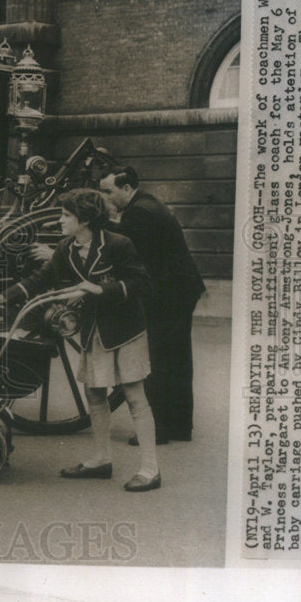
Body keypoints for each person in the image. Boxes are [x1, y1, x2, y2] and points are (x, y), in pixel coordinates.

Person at [0, 188, 161, 492]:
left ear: (85, 219)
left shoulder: (118, 244)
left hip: (125, 330)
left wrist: (99, 289)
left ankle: (150, 469)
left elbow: (141, 282)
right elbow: (39, 280)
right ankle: (101, 459)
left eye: (66, 215)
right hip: (95, 330)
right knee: (94, 393)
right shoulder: (66, 248)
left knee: (133, 395)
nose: (60, 220)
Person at [98, 166, 206, 444]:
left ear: (125, 188)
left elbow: (121, 244)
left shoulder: (140, 212)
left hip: (171, 295)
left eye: (108, 191)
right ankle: (179, 427)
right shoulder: (145, 204)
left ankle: (160, 429)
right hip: (177, 291)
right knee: (177, 360)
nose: (105, 197)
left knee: (160, 359)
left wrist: (94, 221)